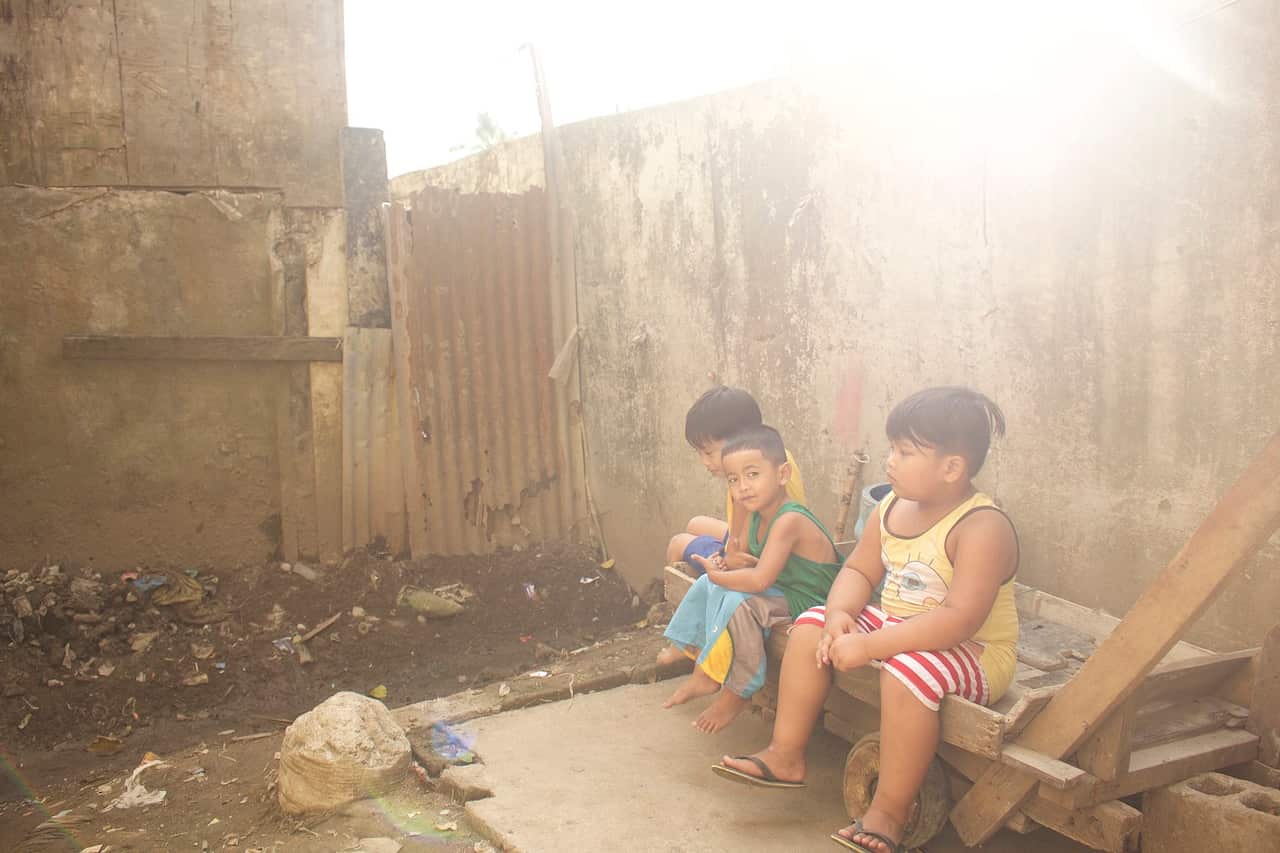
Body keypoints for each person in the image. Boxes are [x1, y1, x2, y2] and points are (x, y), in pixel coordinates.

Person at [715, 387, 1019, 853]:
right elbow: (858, 569)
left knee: (906, 671)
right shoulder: (890, 509)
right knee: (811, 623)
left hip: (973, 650)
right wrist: (840, 616)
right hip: (903, 625)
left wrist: (872, 646)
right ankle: (786, 753)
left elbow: (958, 620)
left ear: (952, 468)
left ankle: (889, 811)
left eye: (905, 451)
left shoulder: (981, 526)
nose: (890, 461)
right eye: (891, 448)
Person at [660, 426, 842, 733]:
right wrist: (722, 566)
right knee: (707, 584)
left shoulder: (789, 520)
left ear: (783, 474)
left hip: (812, 600)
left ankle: (739, 690)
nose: (742, 487)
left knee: (737, 601)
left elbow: (758, 581)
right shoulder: (757, 512)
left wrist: (721, 576)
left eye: (753, 474)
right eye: (734, 479)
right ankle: (701, 663)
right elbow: (744, 557)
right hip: (783, 589)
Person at [665, 386, 807, 575]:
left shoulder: (746, 483)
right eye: (699, 453)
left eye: (709, 452)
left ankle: (679, 597)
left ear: (739, 441)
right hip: (759, 541)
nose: (705, 462)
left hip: (759, 559)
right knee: (695, 523)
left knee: (678, 543)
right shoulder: (775, 456)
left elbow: (740, 552)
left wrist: (723, 559)